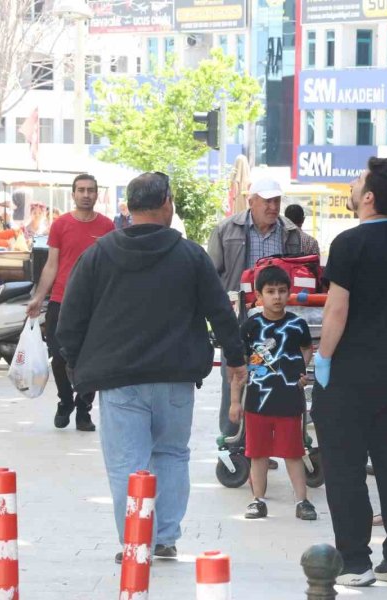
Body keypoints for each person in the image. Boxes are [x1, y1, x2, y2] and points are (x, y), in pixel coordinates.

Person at [55, 172, 246, 564]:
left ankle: (135, 541)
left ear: (128, 207)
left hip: (120, 381)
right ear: (167, 204)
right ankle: (164, 538)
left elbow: (70, 319)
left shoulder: (99, 254)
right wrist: (236, 360)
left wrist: (76, 366)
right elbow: (220, 313)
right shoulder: (190, 255)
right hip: (175, 379)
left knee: (128, 463)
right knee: (172, 454)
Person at [311, 157, 387, 587]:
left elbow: (336, 310)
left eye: (357, 179)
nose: (351, 181)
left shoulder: (348, 244)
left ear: (368, 196)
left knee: (344, 465)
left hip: (347, 373)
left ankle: (356, 561)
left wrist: (322, 358)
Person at [208, 178, 304, 448]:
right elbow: (211, 276)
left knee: (274, 383)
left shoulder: (291, 233)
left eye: (277, 201)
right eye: (267, 201)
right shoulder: (227, 230)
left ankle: (262, 446)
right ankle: (233, 443)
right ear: (252, 202)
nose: (273, 207)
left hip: (278, 322)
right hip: (239, 319)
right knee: (235, 382)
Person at [27, 174, 114, 432]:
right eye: (81, 190)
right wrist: (38, 297)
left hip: (95, 305)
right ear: (73, 194)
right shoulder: (60, 225)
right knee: (59, 357)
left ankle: (84, 411)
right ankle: (65, 401)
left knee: (92, 359)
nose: (86, 194)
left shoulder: (108, 227)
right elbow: (51, 265)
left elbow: (111, 268)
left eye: (91, 190)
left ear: (97, 194)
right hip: (61, 301)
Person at [229, 266, 317, 521]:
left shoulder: (297, 324)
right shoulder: (250, 326)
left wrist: (299, 371)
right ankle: (258, 500)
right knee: (257, 453)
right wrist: (235, 401)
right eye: (270, 291)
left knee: (293, 452)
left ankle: (302, 501)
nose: (277, 296)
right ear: (259, 296)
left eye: (281, 291)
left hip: (289, 400)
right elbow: (237, 367)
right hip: (257, 402)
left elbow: (306, 349)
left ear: (289, 293)